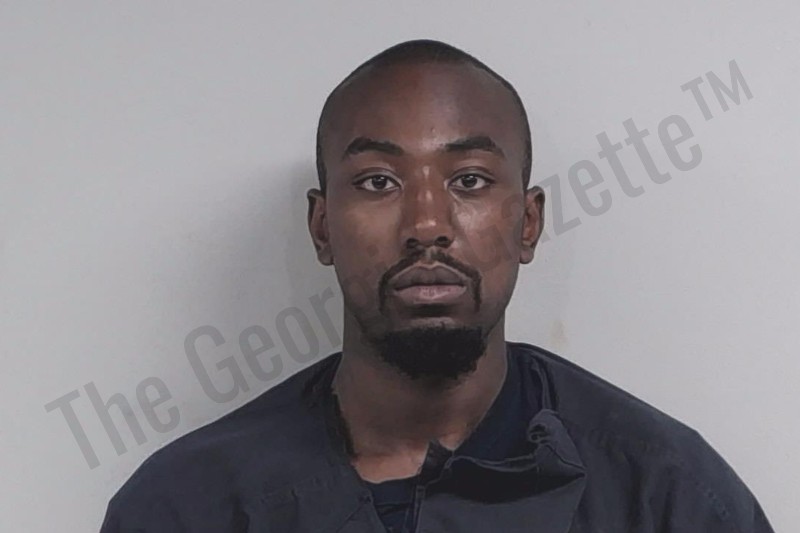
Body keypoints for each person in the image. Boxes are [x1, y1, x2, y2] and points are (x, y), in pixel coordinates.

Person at [100, 39, 774, 532]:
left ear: (528, 223)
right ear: (322, 227)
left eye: (469, 180)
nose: (426, 224)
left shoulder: (666, 496)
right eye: (378, 182)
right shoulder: (185, 507)